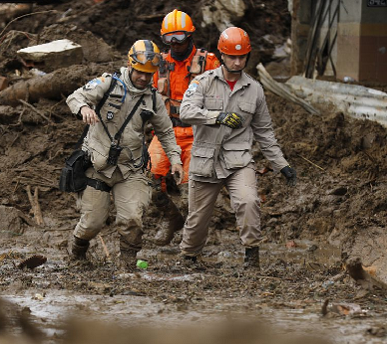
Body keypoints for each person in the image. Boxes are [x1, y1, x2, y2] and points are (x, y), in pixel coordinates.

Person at [178, 27, 297, 269]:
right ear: (221, 55)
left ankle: (251, 256)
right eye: (232, 56)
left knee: (249, 201)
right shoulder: (203, 83)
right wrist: (216, 117)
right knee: (198, 217)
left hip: (238, 160)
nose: (237, 61)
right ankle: (189, 257)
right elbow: (186, 112)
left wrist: (282, 165)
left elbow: (265, 132)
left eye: (242, 57)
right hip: (205, 159)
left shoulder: (254, 90)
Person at [65, 39, 183, 270]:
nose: (144, 78)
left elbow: (166, 132)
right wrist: (84, 108)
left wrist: (176, 160)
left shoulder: (153, 99)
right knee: (92, 223)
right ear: (130, 65)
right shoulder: (108, 84)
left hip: (131, 168)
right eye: (140, 72)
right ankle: (76, 253)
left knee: (132, 219)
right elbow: (75, 97)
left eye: (149, 74)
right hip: (97, 167)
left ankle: (128, 265)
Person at [148, 9, 220, 246]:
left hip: (198, 134)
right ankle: (171, 218)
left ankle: (194, 241)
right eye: (170, 38)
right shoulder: (158, 65)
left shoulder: (208, 62)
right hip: (166, 132)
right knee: (148, 179)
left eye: (179, 37)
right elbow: (146, 98)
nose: (175, 43)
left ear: (190, 36)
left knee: (195, 192)